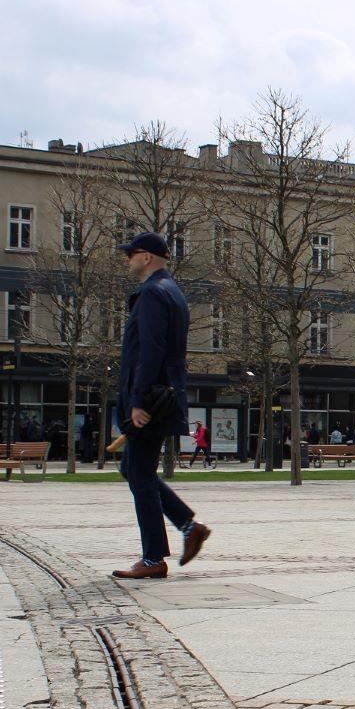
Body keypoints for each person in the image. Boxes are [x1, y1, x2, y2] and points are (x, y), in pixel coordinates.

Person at [111, 232, 210, 580]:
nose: (128, 259)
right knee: (134, 469)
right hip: (163, 395)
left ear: (147, 257)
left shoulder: (153, 293)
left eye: (131, 253)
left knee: (138, 472)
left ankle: (154, 558)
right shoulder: (172, 291)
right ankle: (187, 526)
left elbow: (150, 350)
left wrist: (138, 400)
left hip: (151, 399)